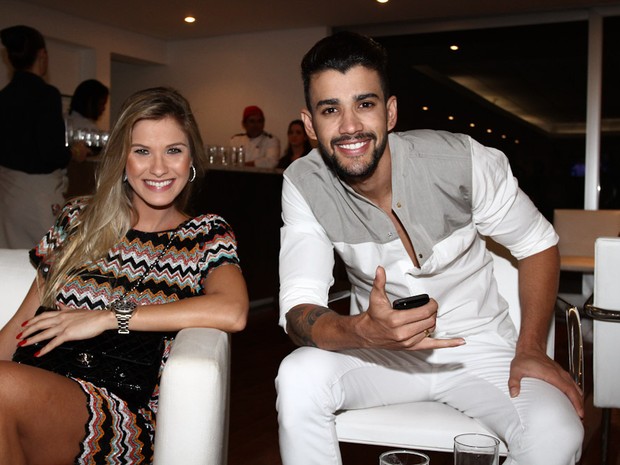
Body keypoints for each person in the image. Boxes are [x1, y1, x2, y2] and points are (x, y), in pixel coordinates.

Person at [276, 31, 584, 465]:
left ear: (391, 112)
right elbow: (298, 309)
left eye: (365, 104)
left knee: (557, 433)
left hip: (477, 350)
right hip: (378, 353)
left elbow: (537, 244)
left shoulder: (463, 162)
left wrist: (531, 347)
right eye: (331, 110)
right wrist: (363, 331)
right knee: (297, 376)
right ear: (310, 124)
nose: (349, 127)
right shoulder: (303, 183)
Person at [0, 87, 249, 464]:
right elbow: (24, 319)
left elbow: (233, 310)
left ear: (191, 159)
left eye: (174, 150)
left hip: (118, 412)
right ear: (122, 159)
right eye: (142, 151)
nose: (159, 167)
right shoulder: (77, 219)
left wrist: (105, 319)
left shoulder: (205, 233)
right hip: (30, 381)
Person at [0, 25, 89, 249]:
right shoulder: (46, 95)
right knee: (49, 258)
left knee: (10, 258)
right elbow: (51, 152)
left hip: (7, 192)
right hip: (37, 195)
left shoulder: (4, 96)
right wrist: (72, 152)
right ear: (42, 55)